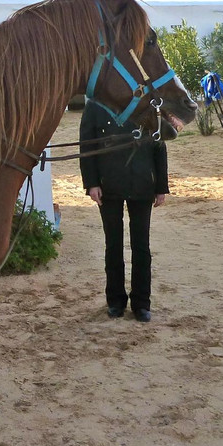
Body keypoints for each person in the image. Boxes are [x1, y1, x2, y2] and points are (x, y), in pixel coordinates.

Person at [79, 99, 169, 322]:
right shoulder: (96, 105)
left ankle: (141, 303)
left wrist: (161, 187)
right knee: (113, 245)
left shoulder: (147, 103)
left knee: (141, 246)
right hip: (108, 185)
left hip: (142, 184)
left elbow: (159, 145)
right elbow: (87, 146)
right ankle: (115, 300)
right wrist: (92, 183)